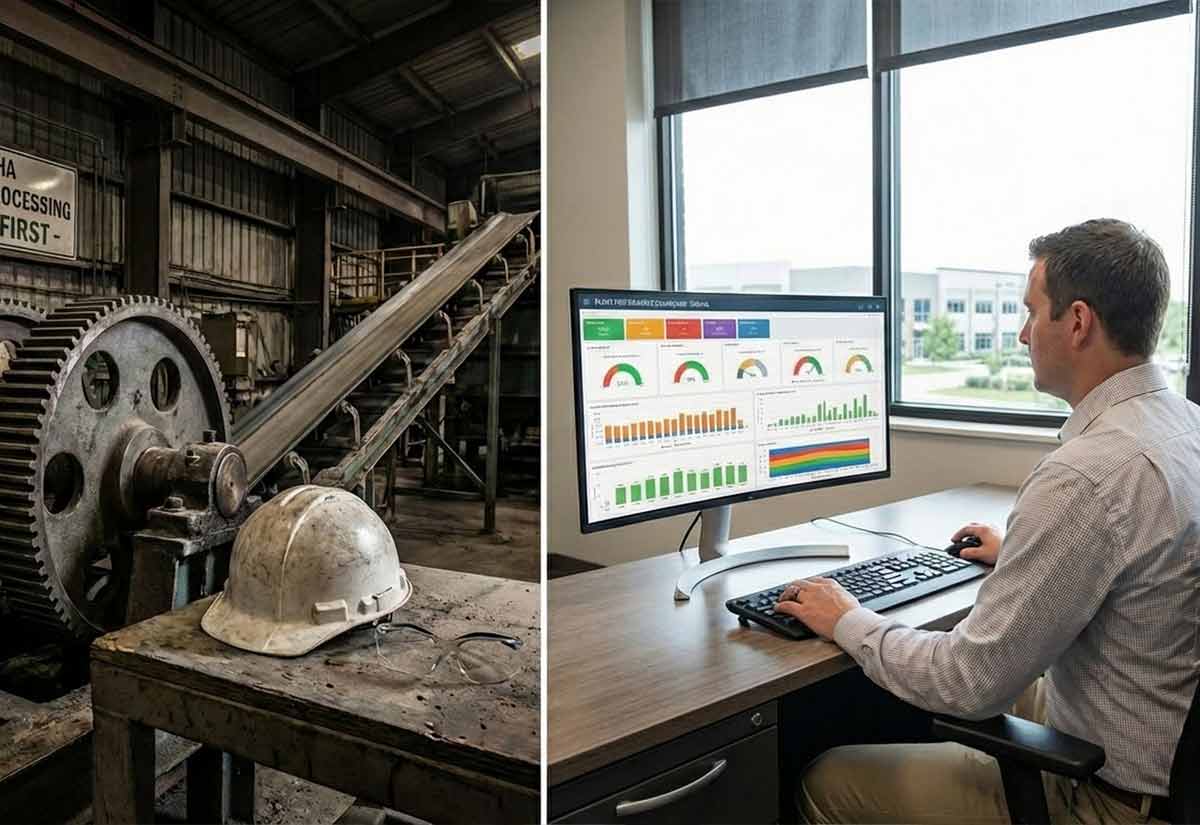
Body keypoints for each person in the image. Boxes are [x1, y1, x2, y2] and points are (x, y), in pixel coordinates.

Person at [776, 218, 1200, 824]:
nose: (1024, 334)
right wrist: (1024, 552)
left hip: (1102, 801)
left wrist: (847, 618)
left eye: (1032, 313)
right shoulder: (1185, 425)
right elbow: (1149, 559)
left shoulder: (1087, 476)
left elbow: (968, 684)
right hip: (1164, 754)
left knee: (826, 778)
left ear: (1077, 323)